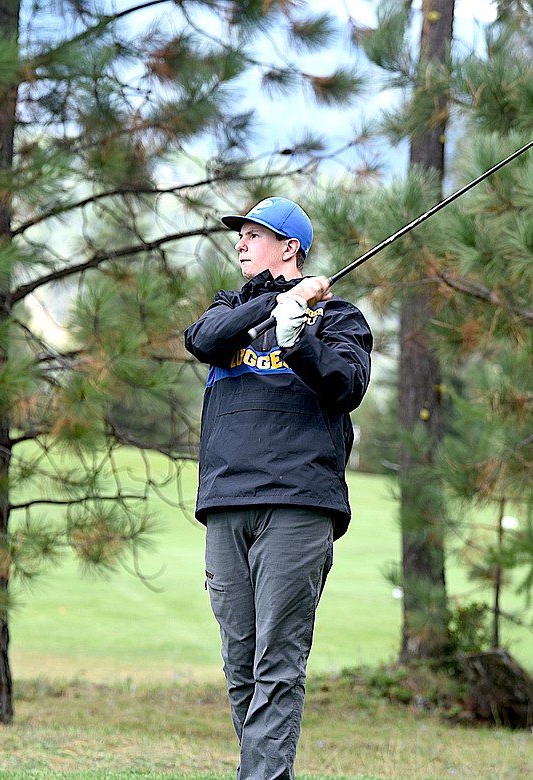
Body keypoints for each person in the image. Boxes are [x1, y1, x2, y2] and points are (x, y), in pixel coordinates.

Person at [184, 196, 373, 780]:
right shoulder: (230, 310)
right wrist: (277, 301)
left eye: (253, 235)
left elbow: (345, 386)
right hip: (225, 503)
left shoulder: (338, 318)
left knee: (278, 660)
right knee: (241, 663)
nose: (240, 244)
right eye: (238, 236)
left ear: (289, 246)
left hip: (298, 504)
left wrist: (298, 338)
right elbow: (201, 339)